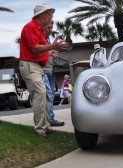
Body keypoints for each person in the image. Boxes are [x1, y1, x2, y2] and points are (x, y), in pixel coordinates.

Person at [19, 3, 68, 138]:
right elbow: (34, 48)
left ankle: (45, 126)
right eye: (49, 14)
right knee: (40, 94)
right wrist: (52, 46)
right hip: (29, 66)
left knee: (46, 95)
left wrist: (53, 49)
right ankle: (40, 129)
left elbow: (42, 49)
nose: (51, 16)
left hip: (36, 66)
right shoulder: (30, 27)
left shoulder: (39, 29)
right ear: (41, 15)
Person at [43, 20, 64, 126]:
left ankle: (50, 119)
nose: (50, 30)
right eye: (48, 28)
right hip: (44, 71)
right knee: (48, 95)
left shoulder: (47, 39)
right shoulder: (40, 38)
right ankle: (49, 120)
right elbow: (38, 52)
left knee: (50, 95)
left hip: (50, 71)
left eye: (52, 28)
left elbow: (47, 52)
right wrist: (50, 52)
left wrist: (53, 53)